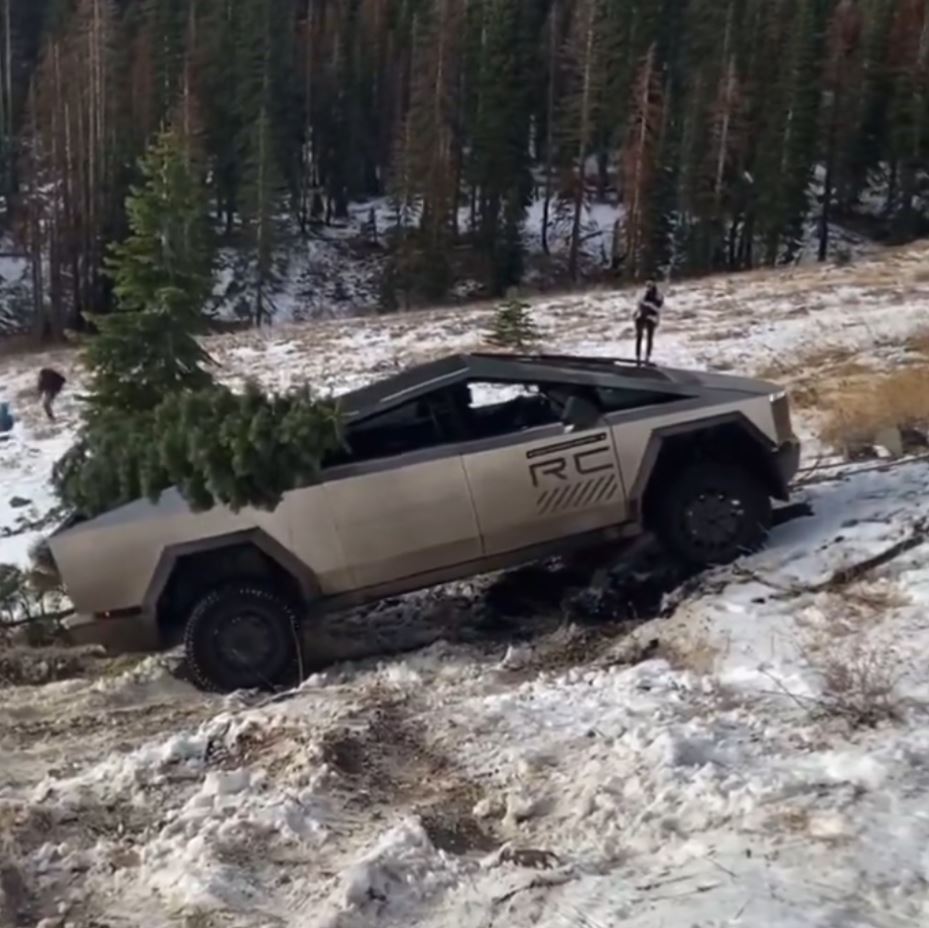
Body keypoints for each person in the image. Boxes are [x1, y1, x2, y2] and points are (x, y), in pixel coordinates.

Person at [634, 281, 664, 366]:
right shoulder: (642, 293)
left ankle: (647, 356)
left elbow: (659, 309)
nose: (648, 287)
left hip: (651, 317)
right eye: (647, 285)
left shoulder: (658, 295)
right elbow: (637, 304)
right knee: (639, 336)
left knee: (649, 338)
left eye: (650, 285)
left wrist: (649, 306)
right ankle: (638, 356)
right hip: (641, 316)